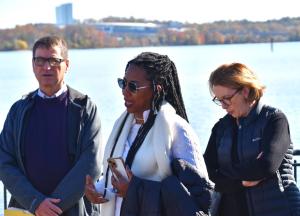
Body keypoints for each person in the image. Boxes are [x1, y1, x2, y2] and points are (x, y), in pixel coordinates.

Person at [85, 52, 213, 216]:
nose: (125, 92)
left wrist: (134, 191)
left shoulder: (177, 130)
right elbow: (117, 181)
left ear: (157, 89)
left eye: (133, 86)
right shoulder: (122, 127)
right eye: (123, 83)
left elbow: (196, 194)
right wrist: (100, 191)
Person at [0, 36, 102, 216]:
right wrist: (36, 203)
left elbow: (91, 164)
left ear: (67, 65)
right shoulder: (19, 110)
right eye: (40, 60)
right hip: (26, 209)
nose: (46, 67)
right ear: (33, 65)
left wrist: (52, 208)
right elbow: (4, 162)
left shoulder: (84, 109)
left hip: (72, 210)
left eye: (54, 60)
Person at [204, 63, 300, 216]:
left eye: (226, 99)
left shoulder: (274, 120)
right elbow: (208, 171)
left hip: (278, 209)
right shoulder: (221, 128)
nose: (222, 106)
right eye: (218, 100)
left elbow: (266, 166)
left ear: (246, 91)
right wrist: (241, 181)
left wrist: (226, 174)